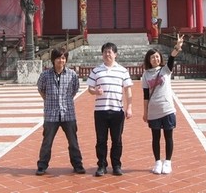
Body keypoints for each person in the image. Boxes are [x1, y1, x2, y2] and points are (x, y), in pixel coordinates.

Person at [36, 47, 85, 176]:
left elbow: (74, 90)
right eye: (58, 58)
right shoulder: (45, 75)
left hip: (68, 113)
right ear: (53, 59)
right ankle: (42, 165)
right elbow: (41, 89)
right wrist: (48, 100)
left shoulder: (72, 75)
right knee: (47, 142)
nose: (61, 60)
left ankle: (78, 165)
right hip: (51, 114)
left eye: (63, 58)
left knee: (73, 142)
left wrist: (65, 101)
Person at [87, 42, 133, 177]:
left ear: (115, 54)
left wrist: (129, 107)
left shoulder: (123, 71)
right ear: (102, 54)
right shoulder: (96, 70)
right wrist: (95, 91)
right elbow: (89, 89)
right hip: (100, 111)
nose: (108, 54)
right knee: (101, 140)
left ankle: (116, 165)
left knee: (117, 140)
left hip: (117, 111)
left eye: (110, 52)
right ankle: (101, 165)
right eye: (105, 52)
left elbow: (128, 91)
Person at [141, 34, 184, 174]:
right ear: (149, 60)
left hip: (167, 109)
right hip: (154, 111)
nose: (155, 59)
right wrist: (145, 112)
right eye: (152, 57)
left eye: (157, 56)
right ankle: (157, 162)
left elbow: (172, 57)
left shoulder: (166, 70)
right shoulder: (145, 75)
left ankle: (168, 162)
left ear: (160, 58)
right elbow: (145, 96)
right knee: (155, 137)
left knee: (168, 136)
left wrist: (177, 47)